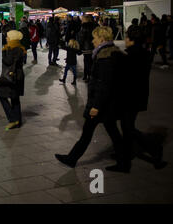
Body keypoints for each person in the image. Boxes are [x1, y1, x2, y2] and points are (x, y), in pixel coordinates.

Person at [55, 26, 126, 170]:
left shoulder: (105, 58)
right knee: (113, 132)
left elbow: (104, 85)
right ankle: (123, 160)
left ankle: (72, 158)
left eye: (94, 38)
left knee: (87, 133)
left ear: (101, 39)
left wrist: (96, 106)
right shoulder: (110, 54)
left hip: (102, 105)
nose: (93, 41)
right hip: (108, 104)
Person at [106, 25, 167, 172]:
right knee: (127, 128)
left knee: (128, 128)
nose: (125, 40)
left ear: (131, 39)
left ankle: (151, 149)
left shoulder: (129, 56)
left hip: (129, 97)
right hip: (138, 96)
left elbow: (123, 78)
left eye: (126, 37)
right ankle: (125, 158)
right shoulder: (144, 54)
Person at [0, 30, 26, 131]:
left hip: (12, 77)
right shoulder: (15, 48)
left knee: (1, 96)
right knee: (14, 99)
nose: (6, 38)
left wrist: (2, 53)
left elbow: (8, 61)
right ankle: (17, 120)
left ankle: (13, 119)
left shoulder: (16, 50)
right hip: (14, 76)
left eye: (8, 37)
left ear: (12, 39)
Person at [78, 15, 97, 82]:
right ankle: (87, 75)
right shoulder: (94, 25)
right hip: (94, 46)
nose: (81, 20)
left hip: (87, 47)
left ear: (86, 19)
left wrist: (79, 46)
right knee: (91, 62)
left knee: (87, 62)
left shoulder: (84, 26)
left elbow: (82, 38)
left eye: (82, 19)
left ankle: (88, 76)